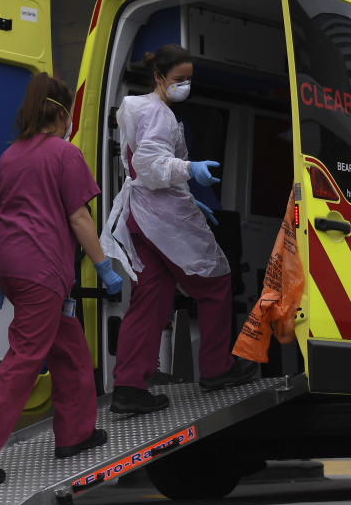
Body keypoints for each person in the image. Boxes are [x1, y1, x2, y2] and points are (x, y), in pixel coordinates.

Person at [0, 72, 123, 484]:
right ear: (62, 114)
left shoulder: (10, 156)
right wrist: (103, 267)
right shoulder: (64, 155)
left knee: (70, 348)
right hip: (42, 270)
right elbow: (79, 217)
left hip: (12, 266)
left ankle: (75, 433)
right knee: (25, 357)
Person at [100, 44, 257, 414]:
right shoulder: (161, 115)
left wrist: (186, 190)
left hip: (140, 216)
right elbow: (152, 164)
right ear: (159, 78)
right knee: (216, 281)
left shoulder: (134, 108)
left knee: (150, 299)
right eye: (179, 79)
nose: (185, 85)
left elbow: (141, 167)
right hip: (163, 220)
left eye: (189, 79)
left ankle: (128, 387)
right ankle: (217, 368)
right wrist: (190, 171)